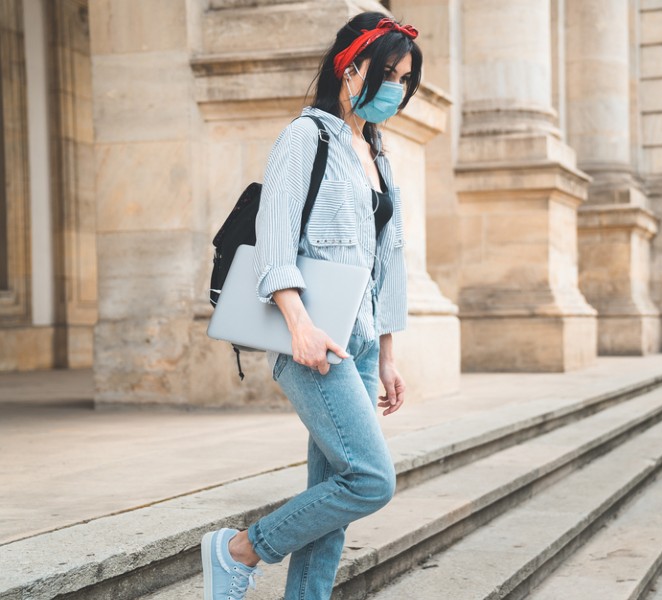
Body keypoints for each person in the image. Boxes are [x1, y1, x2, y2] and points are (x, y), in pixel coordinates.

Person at [200, 12, 422, 600]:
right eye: (388, 73)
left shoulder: (378, 153)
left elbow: (387, 261)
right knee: (370, 480)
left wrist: (388, 355)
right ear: (350, 67)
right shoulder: (306, 137)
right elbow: (274, 243)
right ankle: (239, 550)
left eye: (404, 78)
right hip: (313, 339)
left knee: (336, 495)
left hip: (362, 342)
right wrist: (298, 325)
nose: (396, 88)